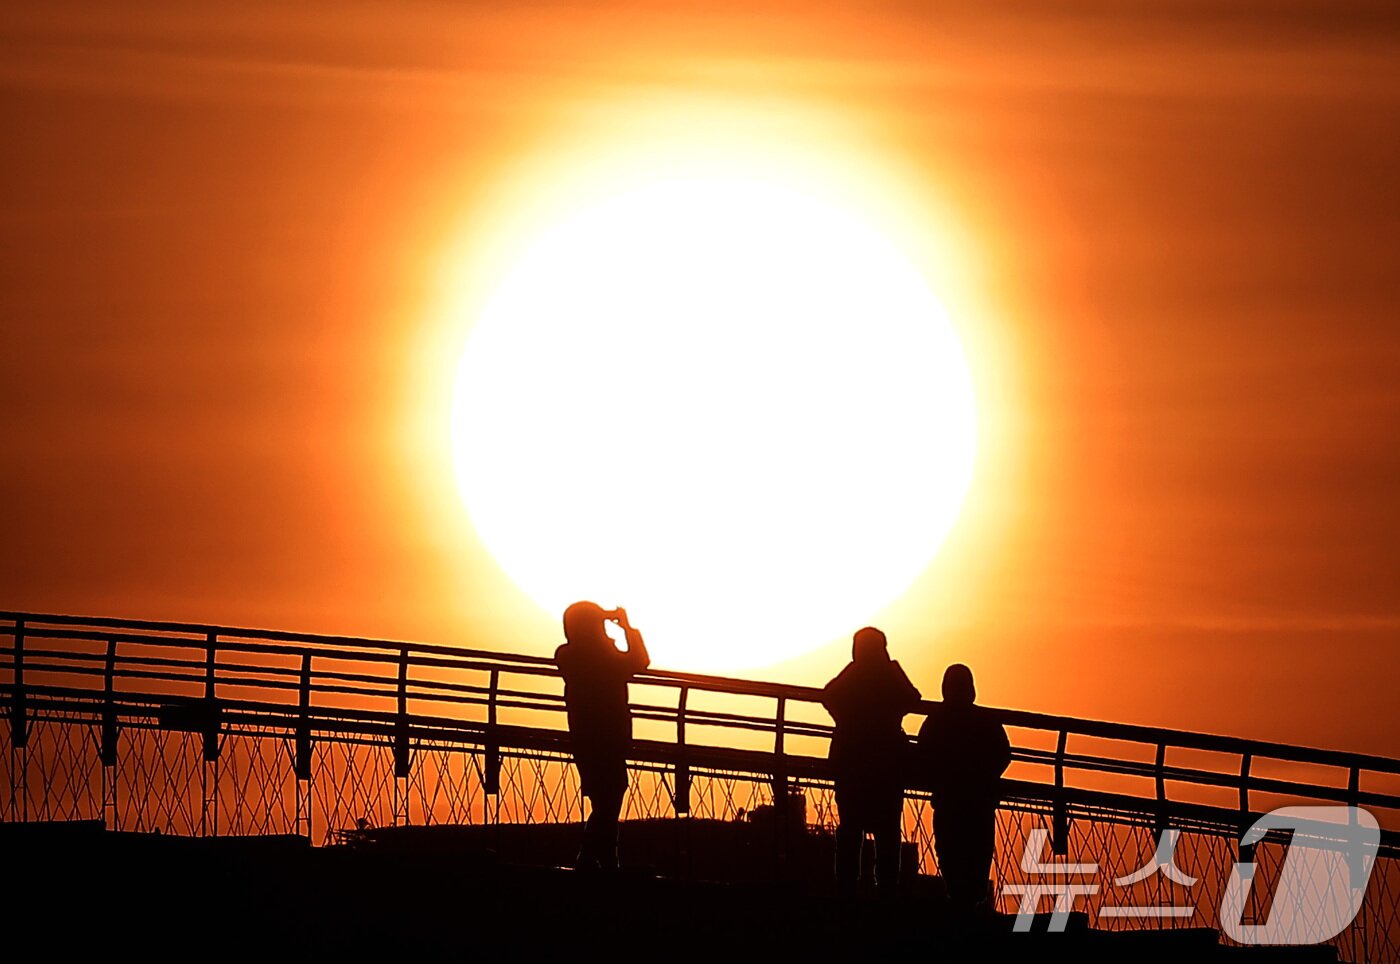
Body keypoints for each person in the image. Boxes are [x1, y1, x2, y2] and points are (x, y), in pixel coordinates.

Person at [821, 626, 922, 895]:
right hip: (888, 763)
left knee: (850, 827)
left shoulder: (853, 673)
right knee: (887, 829)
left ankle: (846, 887)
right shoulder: (888, 674)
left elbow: (828, 695)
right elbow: (914, 698)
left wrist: (844, 721)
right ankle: (887, 888)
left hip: (850, 759)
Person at [554, 600, 650, 871]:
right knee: (610, 795)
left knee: (605, 797)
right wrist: (626, 628)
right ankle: (595, 858)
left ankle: (600, 858)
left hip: (586, 735)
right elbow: (640, 662)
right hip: (607, 735)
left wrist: (603, 620)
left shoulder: (567, 654)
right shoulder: (599, 656)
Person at [917, 663, 1011, 912]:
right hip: (979, 804)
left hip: (948, 802)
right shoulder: (986, 720)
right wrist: (986, 777)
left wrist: (938, 778)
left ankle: (959, 912)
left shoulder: (936, 720)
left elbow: (922, 754)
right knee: (978, 858)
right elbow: (1004, 754)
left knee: (950, 858)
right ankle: (971, 913)